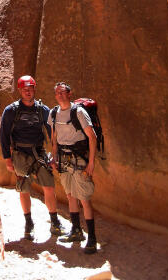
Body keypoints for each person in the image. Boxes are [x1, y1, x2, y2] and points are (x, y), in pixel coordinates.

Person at [0, 75, 63, 240]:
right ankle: (29, 223)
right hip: (20, 155)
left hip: (39, 153)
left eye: (30, 89)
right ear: (20, 90)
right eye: (25, 89)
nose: (28, 92)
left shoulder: (43, 110)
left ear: (34, 89)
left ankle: (55, 222)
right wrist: (8, 158)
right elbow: (4, 135)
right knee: (24, 189)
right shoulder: (11, 111)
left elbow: (52, 134)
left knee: (49, 186)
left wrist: (55, 155)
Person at [49, 82, 98, 254]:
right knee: (70, 195)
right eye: (57, 93)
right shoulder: (53, 113)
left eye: (63, 92)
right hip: (64, 160)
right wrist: (54, 158)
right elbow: (54, 139)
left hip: (79, 160)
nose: (60, 95)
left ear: (70, 94)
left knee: (84, 198)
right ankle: (76, 231)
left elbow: (92, 137)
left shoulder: (78, 112)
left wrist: (91, 163)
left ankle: (92, 238)